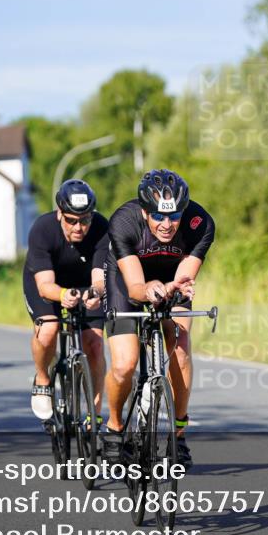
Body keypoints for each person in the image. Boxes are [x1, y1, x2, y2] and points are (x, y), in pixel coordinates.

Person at [102, 169, 215, 468]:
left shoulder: (200, 223)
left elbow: (183, 278)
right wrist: (149, 289)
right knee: (124, 365)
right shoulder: (124, 221)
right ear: (144, 211)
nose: (167, 225)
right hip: (128, 281)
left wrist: (172, 289)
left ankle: (178, 434)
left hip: (172, 281)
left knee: (181, 347)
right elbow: (135, 288)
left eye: (174, 216)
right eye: (158, 216)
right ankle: (114, 427)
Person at [24, 179, 108, 424]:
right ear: (60, 213)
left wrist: (95, 293)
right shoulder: (43, 229)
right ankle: (42, 379)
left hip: (84, 285)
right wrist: (62, 296)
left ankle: (94, 414)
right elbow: (44, 285)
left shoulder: (101, 227)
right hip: (47, 283)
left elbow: (99, 278)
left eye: (85, 220)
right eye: (71, 220)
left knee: (95, 345)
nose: (79, 227)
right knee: (49, 329)